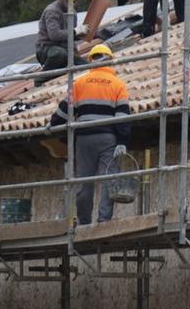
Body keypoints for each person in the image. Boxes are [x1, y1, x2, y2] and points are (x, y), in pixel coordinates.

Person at [49, 42, 132, 225]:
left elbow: (64, 110)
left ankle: (84, 222)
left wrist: (53, 124)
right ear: (110, 61)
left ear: (91, 60)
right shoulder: (118, 84)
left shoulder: (79, 83)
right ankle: (103, 220)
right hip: (107, 138)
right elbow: (122, 116)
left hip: (84, 138)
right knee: (108, 180)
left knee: (84, 182)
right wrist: (122, 141)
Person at [35, 0, 83, 80]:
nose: (72, 3)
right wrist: (75, 32)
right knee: (59, 53)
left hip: (65, 49)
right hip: (47, 50)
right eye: (70, 0)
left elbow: (70, 36)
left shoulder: (73, 13)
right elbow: (54, 35)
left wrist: (82, 34)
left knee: (83, 64)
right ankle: (40, 79)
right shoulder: (52, 11)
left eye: (74, 1)